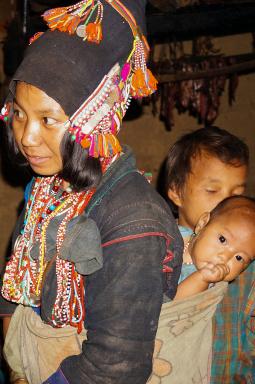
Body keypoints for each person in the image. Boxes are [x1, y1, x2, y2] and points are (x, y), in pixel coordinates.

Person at [0, 1, 183, 383]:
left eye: (48, 119)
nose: (27, 137)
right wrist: (16, 365)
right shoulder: (48, 189)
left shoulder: (135, 221)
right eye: (19, 114)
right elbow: (13, 287)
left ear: (95, 117)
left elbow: (113, 368)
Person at [165, 126, 255, 382]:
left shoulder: (247, 265)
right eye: (213, 191)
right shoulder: (154, 246)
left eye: (237, 193)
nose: (227, 202)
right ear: (176, 191)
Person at [174, 195, 255, 300]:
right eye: (222, 240)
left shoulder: (210, 284)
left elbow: (174, 305)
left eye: (239, 257)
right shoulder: (175, 233)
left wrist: (202, 278)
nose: (224, 257)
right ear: (202, 224)